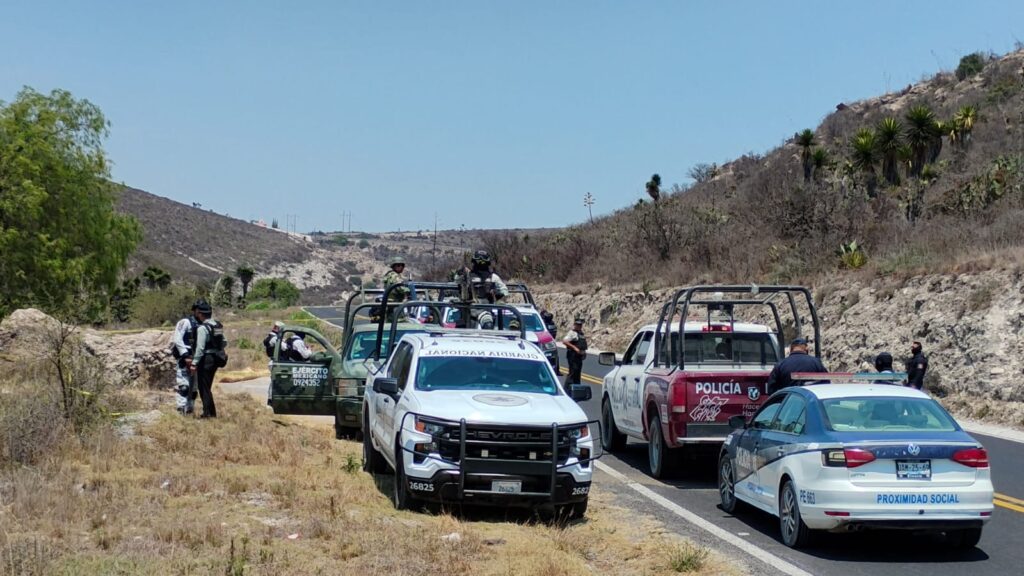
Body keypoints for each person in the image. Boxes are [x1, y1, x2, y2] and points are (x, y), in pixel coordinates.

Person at [453, 250, 509, 328]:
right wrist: (459, 272)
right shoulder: (467, 275)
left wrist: (497, 295)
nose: (480, 265)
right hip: (469, 310)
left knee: (488, 325)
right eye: (478, 262)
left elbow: (504, 291)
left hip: (485, 311)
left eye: (483, 263)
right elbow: (456, 281)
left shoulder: (493, 277)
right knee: (464, 330)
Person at [189, 301, 227, 418]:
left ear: (200, 314)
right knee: (207, 387)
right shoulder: (217, 325)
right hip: (216, 358)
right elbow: (224, 342)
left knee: (203, 387)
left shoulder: (202, 328)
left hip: (206, 359)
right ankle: (211, 413)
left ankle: (208, 414)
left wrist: (194, 363)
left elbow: (200, 348)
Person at [171, 300, 202, 415]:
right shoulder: (185, 322)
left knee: (194, 389)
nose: (200, 313)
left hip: (198, 359)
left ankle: (190, 410)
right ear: (194, 310)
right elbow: (177, 339)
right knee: (184, 387)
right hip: (185, 358)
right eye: (199, 310)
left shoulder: (204, 323)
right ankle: (180, 409)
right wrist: (185, 355)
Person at [563, 318, 588, 388]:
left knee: (577, 374)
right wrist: (574, 348)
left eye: (580, 325)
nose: (579, 326)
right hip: (573, 356)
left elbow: (582, 345)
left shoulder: (581, 334)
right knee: (572, 373)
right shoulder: (572, 333)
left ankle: (576, 390)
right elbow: (565, 341)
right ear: (575, 325)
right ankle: (567, 390)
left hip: (579, 357)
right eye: (578, 324)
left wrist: (584, 353)